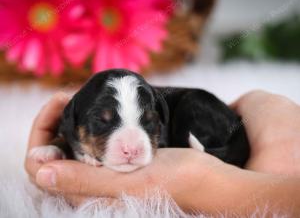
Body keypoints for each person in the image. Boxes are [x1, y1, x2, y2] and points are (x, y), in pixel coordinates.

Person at [25, 90, 300, 216]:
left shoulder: (174, 108)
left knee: (193, 109)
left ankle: (218, 152)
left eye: (148, 122)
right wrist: (61, 147)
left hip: (212, 123)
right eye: (104, 123)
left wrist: (210, 185)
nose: (131, 145)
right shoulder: (77, 118)